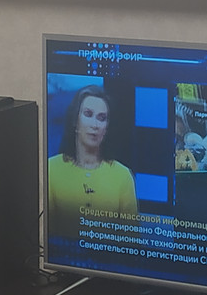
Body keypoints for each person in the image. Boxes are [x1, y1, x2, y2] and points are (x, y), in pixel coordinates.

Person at [46, 86, 138, 243]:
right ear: (75, 121)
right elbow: (49, 238)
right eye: (88, 114)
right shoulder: (52, 169)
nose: (95, 125)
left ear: (106, 128)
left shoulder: (123, 175)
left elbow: (131, 242)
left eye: (101, 118)